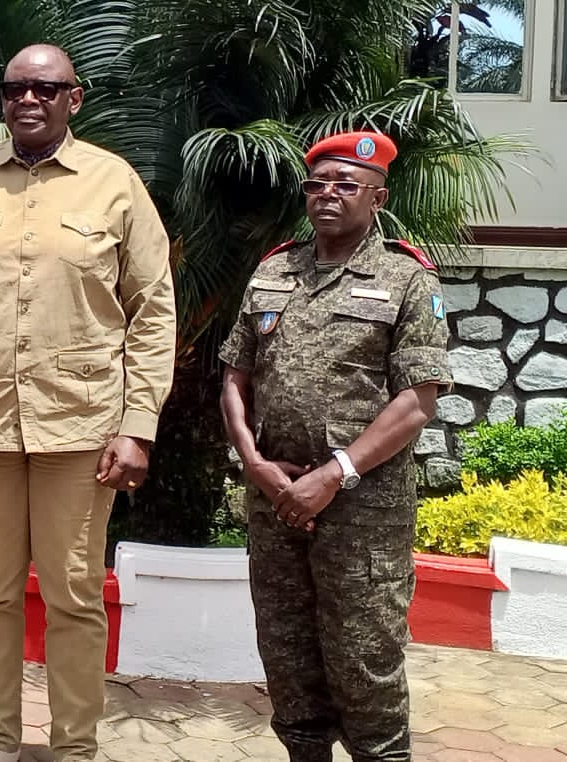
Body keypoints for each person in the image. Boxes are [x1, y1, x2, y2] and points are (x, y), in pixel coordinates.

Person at [0, 44, 177, 762]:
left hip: (79, 428)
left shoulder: (113, 183)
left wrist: (138, 425)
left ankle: (73, 747)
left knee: (74, 595)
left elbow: (152, 309)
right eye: (15, 87)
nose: (28, 99)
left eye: (46, 89)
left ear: (73, 98)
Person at [219, 131, 452, 762]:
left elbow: (416, 401)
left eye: (346, 185)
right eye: (317, 185)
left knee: (364, 659)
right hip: (276, 503)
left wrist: (334, 473)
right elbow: (236, 376)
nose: (327, 195)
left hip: (362, 513)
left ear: (378, 198)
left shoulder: (407, 279)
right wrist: (255, 463)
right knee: (287, 655)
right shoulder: (274, 270)